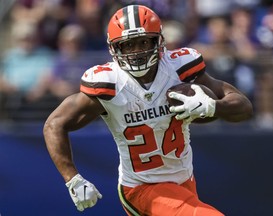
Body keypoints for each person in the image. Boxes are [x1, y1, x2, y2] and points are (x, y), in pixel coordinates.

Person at [43, 5, 253, 215]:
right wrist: (73, 179)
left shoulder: (179, 69)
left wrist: (213, 106)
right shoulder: (109, 83)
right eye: (128, 45)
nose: (137, 51)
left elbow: (243, 106)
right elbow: (55, 124)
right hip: (141, 188)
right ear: (115, 49)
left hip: (184, 182)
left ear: (158, 41)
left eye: (143, 42)